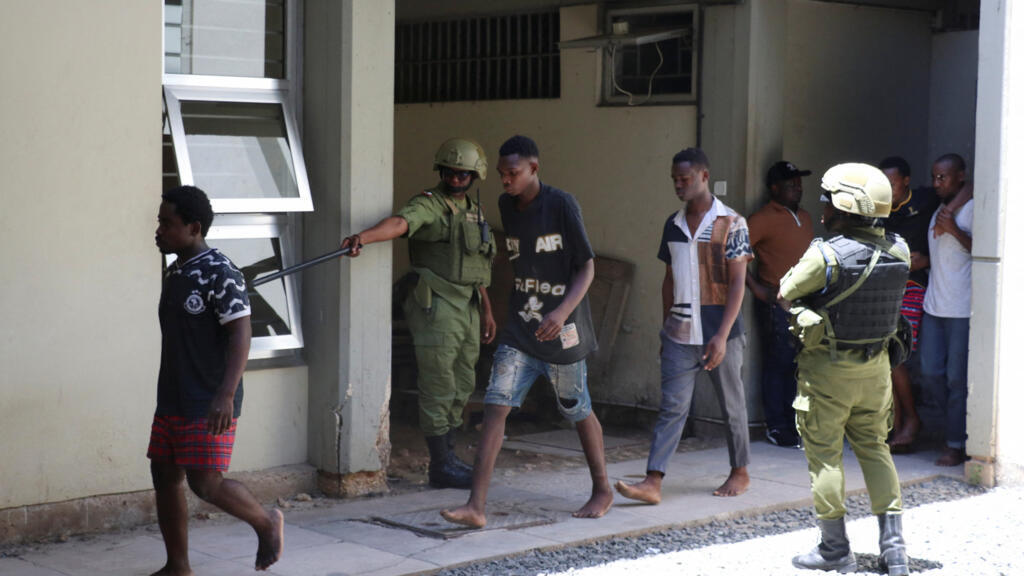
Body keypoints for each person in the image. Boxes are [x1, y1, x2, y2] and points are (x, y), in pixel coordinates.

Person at [440, 135, 613, 528]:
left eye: (513, 173)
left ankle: (602, 489)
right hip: (521, 328)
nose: (506, 181)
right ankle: (476, 506)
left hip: (563, 331)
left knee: (578, 409)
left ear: (534, 169)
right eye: (501, 174)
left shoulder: (562, 204)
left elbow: (587, 266)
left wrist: (562, 311)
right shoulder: (506, 206)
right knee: (496, 405)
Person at [341, 138, 498, 488]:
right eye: (450, 172)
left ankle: (450, 459)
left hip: (469, 306)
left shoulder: (474, 210)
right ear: (440, 172)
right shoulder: (430, 205)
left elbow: (476, 268)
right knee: (439, 384)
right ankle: (441, 464)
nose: (456, 179)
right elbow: (400, 223)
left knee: (462, 384)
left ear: (475, 176)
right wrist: (363, 238)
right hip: (438, 304)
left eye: (463, 174)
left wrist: (487, 310)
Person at [779, 164, 910, 575]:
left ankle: (835, 549)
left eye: (828, 200)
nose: (822, 207)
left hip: (828, 372)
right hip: (876, 371)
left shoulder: (825, 254)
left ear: (846, 207)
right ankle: (895, 551)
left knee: (825, 457)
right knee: (875, 449)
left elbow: (784, 292)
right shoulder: (900, 250)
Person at [150, 185, 284, 575]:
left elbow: (242, 334)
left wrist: (225, 395)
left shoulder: (220, 272)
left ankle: (266, 522)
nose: (158, 230)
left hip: (208, 397)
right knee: (164, 473)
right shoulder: (177, 271)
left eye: (167, 224)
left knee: (205, 483)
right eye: (159, 222)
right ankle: (178, 566)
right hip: (173, 395)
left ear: (193, 227)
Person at [615, 147, 753, 503]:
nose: (678, 185)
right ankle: (653, 481)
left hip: (719, 331)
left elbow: (738, 282)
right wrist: (665, 328)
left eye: (685, 179)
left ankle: (740, 471)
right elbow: (668, 279)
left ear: (704, 177)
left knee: (731, 405)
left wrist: (722, 336)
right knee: (672, 407)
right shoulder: (672, 225)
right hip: (679, 333)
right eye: (675, 179)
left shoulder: (732, 222)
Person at [746, 161, 815, 449]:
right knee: (778, 364)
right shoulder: (762, 218)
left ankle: (796, 423)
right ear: (774, 188)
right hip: (777, 302)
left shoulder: (805, 217)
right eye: (790, 184)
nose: (797, 188)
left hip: (807, 303)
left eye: (799, 183)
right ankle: (777, 426)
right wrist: (757, 289)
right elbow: (733, 253)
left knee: (800, 366)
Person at [877, 156, 940, 452]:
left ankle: (910, 420)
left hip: (916, 286)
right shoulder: (878, 210)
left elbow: (966, 187)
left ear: (905, 181)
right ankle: (897, 422)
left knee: (895, 354)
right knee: (885, 356)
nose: (886, 190)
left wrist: (929, 257)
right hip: (886, 287)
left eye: (891, 184)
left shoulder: (926, 199)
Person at [920, 153, 974, 467]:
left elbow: (983, 250)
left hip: (962, 309)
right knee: (929, 373)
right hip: (934, 306)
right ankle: (954, 431)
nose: (937, 183)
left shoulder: (969, 211)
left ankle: (955, 443)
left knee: (956, 379)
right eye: (935, 177)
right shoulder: (939, 207)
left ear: (960, 176)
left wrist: (953, 227)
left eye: (944, 177)